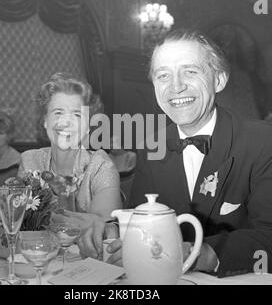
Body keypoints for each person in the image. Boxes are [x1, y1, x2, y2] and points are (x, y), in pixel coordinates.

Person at [78, 28, 272, 278]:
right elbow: (143, 217)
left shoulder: (262, 141)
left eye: (190, 71)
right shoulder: (152, 145)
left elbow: (268, 235)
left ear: (219, 79)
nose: (176, 86)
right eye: (163, 75)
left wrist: (199, 253)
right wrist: (113, 231)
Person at [17, 72, 122, 228]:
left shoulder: (100, 166)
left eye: (77, 115)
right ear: (45, 120)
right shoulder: (30, 161)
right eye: (58, 112)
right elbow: (17, 222)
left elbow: (104, 225)